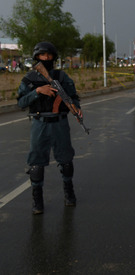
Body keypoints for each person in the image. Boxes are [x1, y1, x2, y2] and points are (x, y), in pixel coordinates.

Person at [17, 41, 81, 214]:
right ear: (36, 57)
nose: (45, 58)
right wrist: (38, 92)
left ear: (53, 57)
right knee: (36, 165)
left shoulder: (62, 77)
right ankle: (37, 200)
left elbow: (73, 96)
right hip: (40, 124)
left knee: (66, 161)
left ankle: (69, 193)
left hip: (60, 123)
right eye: (42, 55)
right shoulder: (29, 79)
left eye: (48, 55)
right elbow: (21, 102)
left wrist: (77, 109)